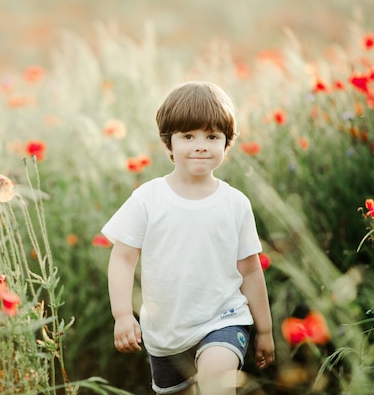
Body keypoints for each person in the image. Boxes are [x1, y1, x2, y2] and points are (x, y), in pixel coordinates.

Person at [101, 81, 275, 395]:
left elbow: (250, 269)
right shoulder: (148, 199)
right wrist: (123, 315)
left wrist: (264, 330)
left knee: (216, 381)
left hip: (224, 318)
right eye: (188, 136)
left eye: (212, 136)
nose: (201, 145)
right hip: (166, 331)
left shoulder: (235, 204)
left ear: (226, 143)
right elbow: (123, 259)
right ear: (169, 144)